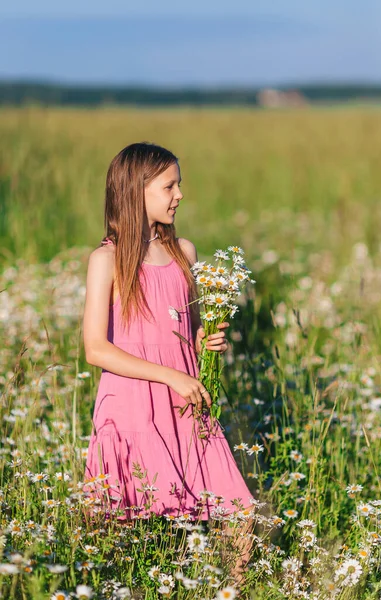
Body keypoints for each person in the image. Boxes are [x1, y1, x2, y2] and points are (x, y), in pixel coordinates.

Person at [82, 142, 255, 579]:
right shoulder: (106, 260)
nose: (179, 194)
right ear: (136, 191)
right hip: (133, 405)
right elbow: (95, 349)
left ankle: (232, 588)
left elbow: (184, 332)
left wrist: (204, 341)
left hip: (186, 404)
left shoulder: (185, 253)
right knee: (116, 525)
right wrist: (170, 376)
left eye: (179, 185)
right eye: (169, 186)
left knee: (240, 510)